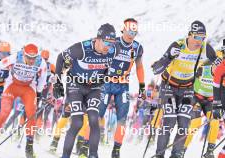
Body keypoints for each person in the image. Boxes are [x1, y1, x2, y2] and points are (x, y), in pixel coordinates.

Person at [151, 20, 220, 158]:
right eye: (197, 37)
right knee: (169, 122)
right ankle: (159, 154)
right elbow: (156, 69)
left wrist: (217, 64)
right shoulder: (178, 45)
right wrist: (169, 57)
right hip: (169, 86)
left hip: (187, 88)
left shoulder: (205, 48)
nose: (199, 41)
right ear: (189, 35)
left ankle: (176, 155)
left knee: (184, 125)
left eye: (202, 37)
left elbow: (217, 62)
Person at [54, 23, 117, 158]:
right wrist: (57, 83)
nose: (109, 46)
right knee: (77, 122)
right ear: (98, 39)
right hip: (75, 85)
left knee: (94, 120)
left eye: (112, 44)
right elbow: (60, 57)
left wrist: (105, 76)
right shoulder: (81, 48)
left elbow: (108, 67)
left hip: (94, 87)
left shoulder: (112, 51)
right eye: (106, 42)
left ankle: (93, 155)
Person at [0, 43, 47, 158]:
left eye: (34, 58)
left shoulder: (41, 62)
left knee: (31, 113)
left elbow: (43, 77)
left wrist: (39, 93)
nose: (32, 60)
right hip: (13, 85)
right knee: (5, 112)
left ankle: (29, 147)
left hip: (28, 87)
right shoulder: (16, 57)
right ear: (24, 54)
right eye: (29, 57)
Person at [96, 18, 145, 158]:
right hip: (106, 83)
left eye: (134, 33)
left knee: (122, 119)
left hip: (123, 85)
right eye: (129, 31)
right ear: (123, 29)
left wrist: (142, 86)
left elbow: (139, 67)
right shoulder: (113, 43)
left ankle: (116, 150)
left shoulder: (137, 47)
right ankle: (85, 143)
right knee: (96, 114)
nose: (131, 35)